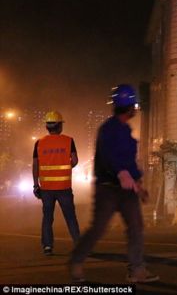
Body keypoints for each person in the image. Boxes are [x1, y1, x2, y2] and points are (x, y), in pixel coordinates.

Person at [69, 84, 158, 283]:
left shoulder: (125, 130)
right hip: (108, 189)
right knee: (98, 228)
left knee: (135, 227)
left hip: (126, 190)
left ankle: (136, 270)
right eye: (134, 104)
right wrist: (122, 174)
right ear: (129, 106)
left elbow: (129, 162)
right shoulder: (109, 129)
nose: (135, 108)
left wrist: (138, 184)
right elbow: (109, 157)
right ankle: (76, 261)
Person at [32, 110, 81, 256]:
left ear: (47, 126)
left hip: (46, 189)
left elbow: (35, 166)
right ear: (60, 126)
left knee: (47, 217)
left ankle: (47, 246)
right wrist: (65, 169)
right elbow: (75, 161)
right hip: (64, 187)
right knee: (70, 217)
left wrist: (36, 185)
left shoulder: (39, 143)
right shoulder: (68, 140)